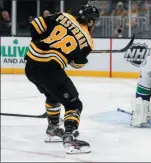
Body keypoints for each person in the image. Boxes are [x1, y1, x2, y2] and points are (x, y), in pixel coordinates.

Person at [24, 4, 99, 154]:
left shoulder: (64, 16)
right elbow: (76, 64)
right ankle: (70, 138)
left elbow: (35, 25)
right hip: (50, 70)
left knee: (52, 95)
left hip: (31, 66)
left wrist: (42, 42)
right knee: (74, 104)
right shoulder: (88, 42)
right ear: (91, 21)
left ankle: (52, 129)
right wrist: (82, 59)